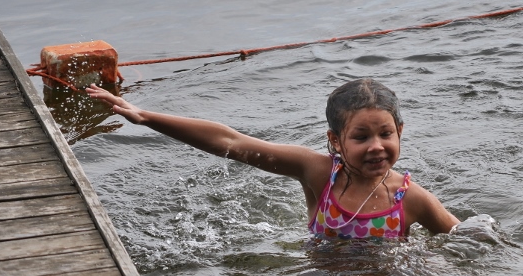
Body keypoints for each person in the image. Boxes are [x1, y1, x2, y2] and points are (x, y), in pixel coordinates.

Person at [86, 78, 460, 239]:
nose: (376, 146)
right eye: (361, 137)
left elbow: (465, 238)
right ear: (335, 140)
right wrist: (144, 117)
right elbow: (230, 141)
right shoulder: (318, 173)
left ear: (400, 132)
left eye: (386, 134)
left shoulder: (412, 199)